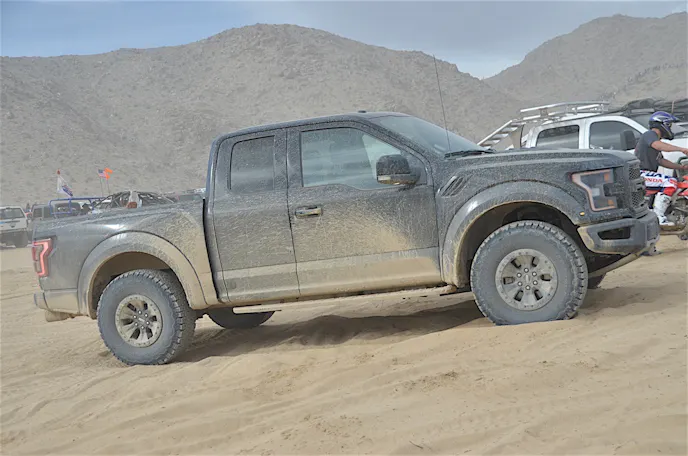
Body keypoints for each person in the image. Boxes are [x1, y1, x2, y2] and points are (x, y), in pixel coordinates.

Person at [634, 111, 688, 227]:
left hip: (643, 175)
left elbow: (661, 161)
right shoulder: (650, 135)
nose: (671, 128)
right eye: (669, 125)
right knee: (670, 182)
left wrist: (681, 167)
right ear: (663, 124)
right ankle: (659, 218)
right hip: (640, 174)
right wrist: (681, 149)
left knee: (674, 183)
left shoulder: (653, 140)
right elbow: (657, 145)